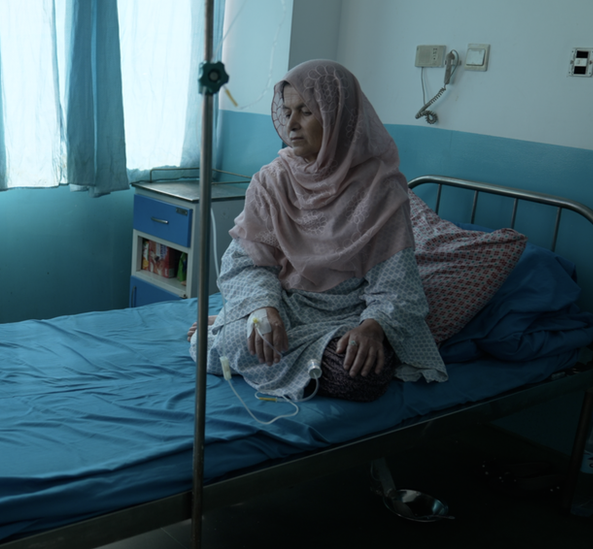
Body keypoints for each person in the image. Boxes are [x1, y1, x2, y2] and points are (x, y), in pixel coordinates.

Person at [189, 60, 446, 402]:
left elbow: (397, 286)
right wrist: (263, 308)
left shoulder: (380, 191)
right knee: (239, 339)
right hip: (284, 305)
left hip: (346, 315)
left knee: (361, 375)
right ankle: (235, 325)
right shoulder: (272, 181)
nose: (291, 124)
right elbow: (248, 262)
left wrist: (372, 329)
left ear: (338, 118)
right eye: (287, 111)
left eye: (306, 112)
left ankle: (232, 328)